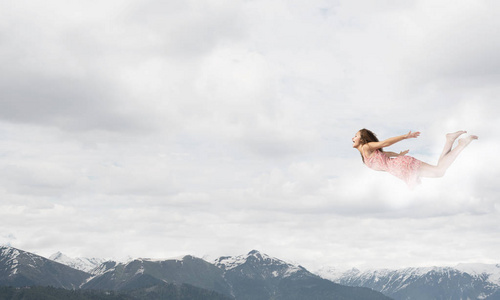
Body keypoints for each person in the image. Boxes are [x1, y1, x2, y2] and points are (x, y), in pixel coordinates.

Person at [352, 129, 478, 188]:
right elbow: (385, 154)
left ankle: (459, 144)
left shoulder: (366, 147)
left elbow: (385, 143)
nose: (353, 138)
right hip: (400, 168)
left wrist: (405, 137)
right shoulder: (367, 153)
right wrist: (398, 155)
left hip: (401, 167)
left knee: (439, 172)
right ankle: (450, 140)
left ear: (362, 140)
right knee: (439, 171)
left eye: (355, 136)